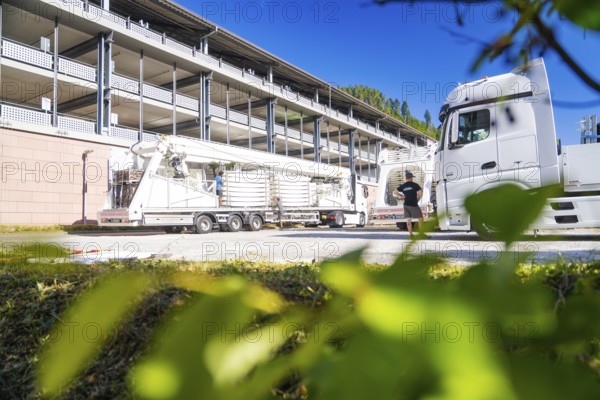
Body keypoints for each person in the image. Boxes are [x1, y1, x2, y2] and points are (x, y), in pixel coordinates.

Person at [394, 171, 424, 237]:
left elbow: (395, 192)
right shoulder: (415, 185)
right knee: (420, 218)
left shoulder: (403, 186)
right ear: (411, 178)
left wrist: (401, 196)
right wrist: (418, 199)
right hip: (413, 204)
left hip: (406, 204)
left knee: (408, 220)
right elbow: (420, 193)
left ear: (406, 178)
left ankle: (411, 234)